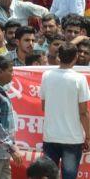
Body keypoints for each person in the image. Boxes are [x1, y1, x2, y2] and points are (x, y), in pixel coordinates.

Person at [40, 42, 90, 179]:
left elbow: (43, 106)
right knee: (69, 176)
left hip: (50, 137)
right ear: (76, 57)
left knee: (49, 176)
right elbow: (83, 112)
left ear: (58, 57)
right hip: (72, 139)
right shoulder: (79, 79)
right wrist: (89, 136)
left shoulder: (46, 76)